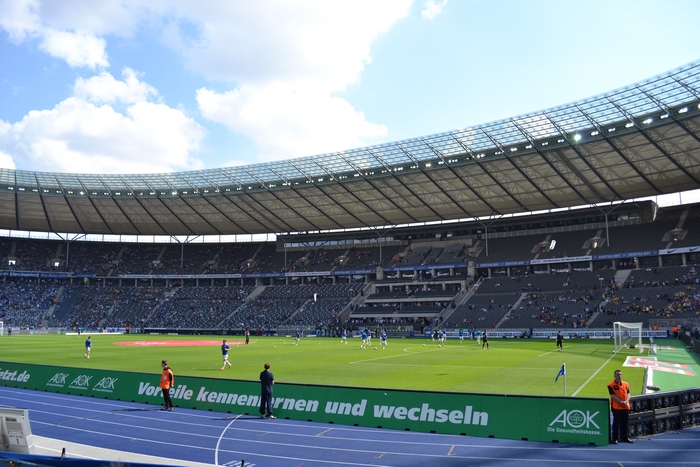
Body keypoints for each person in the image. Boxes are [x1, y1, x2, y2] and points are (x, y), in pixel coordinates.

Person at [608, 370, 633, 444]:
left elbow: (628, 393)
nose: (619, 376)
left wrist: (626, 401)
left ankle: (625, 437)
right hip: (616, 407)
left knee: (625, 423)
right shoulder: (611, 385)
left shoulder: (626, 384)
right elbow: (612, 395)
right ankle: (615, 438)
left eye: (620, 374)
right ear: (614, 376)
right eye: (617, 375)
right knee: (616, 423)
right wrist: (621, 402)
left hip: (625, 406)